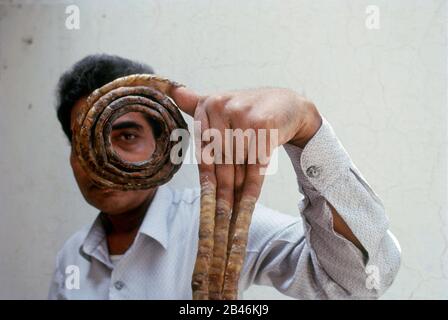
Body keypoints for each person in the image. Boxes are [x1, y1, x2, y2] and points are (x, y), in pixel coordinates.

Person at [48, 54, 401, 299]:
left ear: (163, 145)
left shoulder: (225, 224)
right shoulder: (71, 258)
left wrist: (306, 128)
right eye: (84, 140)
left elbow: (358, 284)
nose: (101, 157)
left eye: (126, 136)